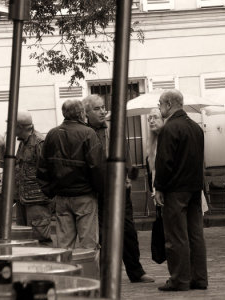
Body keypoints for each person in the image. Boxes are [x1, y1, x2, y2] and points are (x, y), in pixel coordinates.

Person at [82, 94, 155, 283]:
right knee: (103, 234)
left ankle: (136, 271)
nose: (102, 111)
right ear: (86, 113)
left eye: (103, 107)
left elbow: (126, 152)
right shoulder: (84, 132)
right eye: (97, 109)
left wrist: (130, 176)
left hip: (120, 188)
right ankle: (106, 273)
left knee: (128, 231)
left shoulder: (113, 129)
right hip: (98, 190)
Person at [154, 89, 208, 291]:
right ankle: (199, 278)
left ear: (168, 104)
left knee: (176, 236)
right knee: (195, 234)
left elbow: (165, 162)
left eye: (160, 104)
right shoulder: (195, 127)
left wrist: (159, 187)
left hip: (176, 189)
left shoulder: (170, 128)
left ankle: (179, 279)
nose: (159, 108)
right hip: (194, 187)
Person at [37, 100, 103, 249]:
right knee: (89, 244)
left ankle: (66, 271)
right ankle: (89, 272)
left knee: (64, 245)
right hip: (85, 196)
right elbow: (97, 167)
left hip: (61, 197)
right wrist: (100, 191)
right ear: (81, 113)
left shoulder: (52, 134)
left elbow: (42, 167)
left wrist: (50, 192)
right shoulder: (88, 133)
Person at [0, 111, 53, 244]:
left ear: (19, 127)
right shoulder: (23, 142)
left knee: (40, 240)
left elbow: (49, 171)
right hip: (23, 200)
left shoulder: (39, 142)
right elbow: (5, 165)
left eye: (10, 125)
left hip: (37, 201)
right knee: (25, 240)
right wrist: (2, 146)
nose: (8, 129)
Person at [146, 108, 164, 199]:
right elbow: (153, 169)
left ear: (163, 119)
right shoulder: (153, 140)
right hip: (157, 188)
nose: (151, 121)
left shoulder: (168, 138)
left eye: (155, 117)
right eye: (149, 118)